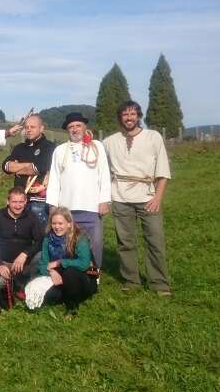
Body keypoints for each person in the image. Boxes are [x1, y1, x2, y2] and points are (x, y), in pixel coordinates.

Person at [103, 101, 172, 296]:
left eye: (132, 114)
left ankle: (159, 283)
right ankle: (131, 280)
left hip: (148, 197)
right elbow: (97, 163)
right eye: (125, 114)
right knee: (125, 242)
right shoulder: (109, 142)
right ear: (120, 117)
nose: (129, 118)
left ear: (138, 116)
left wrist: (158, 197)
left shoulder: (153, 137)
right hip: (120, 197)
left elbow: (163, 170)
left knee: (155, 241)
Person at [46, 112, 111, 271]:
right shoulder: (60, 150)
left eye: (78, 125)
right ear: (67, 130)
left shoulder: (96, 146)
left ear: (84, 127)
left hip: (91, 206)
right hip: (67, 208)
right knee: (69, 243)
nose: (75, 129)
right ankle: (70, 272)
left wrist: (104, 200)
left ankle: (94, 273)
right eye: (71, 127)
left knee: (95, 243)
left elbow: (104, 173)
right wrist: (53, 205)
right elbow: (54, 178)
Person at [38, 207, 98, 317]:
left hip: (86, 275)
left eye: (60, 223)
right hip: (60, 275)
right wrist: (51, 272)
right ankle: (68, 295)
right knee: (49, 297)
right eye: (54, 223)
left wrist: (60, 262)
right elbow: (43, 263)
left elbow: (84, 264)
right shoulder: (48, 238)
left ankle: (72, 307)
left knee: (70, 272)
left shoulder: (80, 238)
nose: (57, 227)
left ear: (69, 224)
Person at [0, 187, 44, 294]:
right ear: (8, 201)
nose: (18, 206)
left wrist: (25, 254)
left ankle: (27, 284)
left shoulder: (31, 217)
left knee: (41, 255)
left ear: (26, 202)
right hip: (4, 262)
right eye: (14, 202)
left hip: (25, 263)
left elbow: (40, 240)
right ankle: (13, 284)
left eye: (21, 202)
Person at [1, 114, 56, 224]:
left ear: (41, 128)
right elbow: (5, 166)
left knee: (39, 233)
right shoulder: (19, 148)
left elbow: (38, 168)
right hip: (19, 202)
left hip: (39, 202)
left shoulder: (49, 147)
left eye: (33, 127)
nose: (29, 130)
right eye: (27, 127)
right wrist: (28, 166)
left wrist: (17, 167)